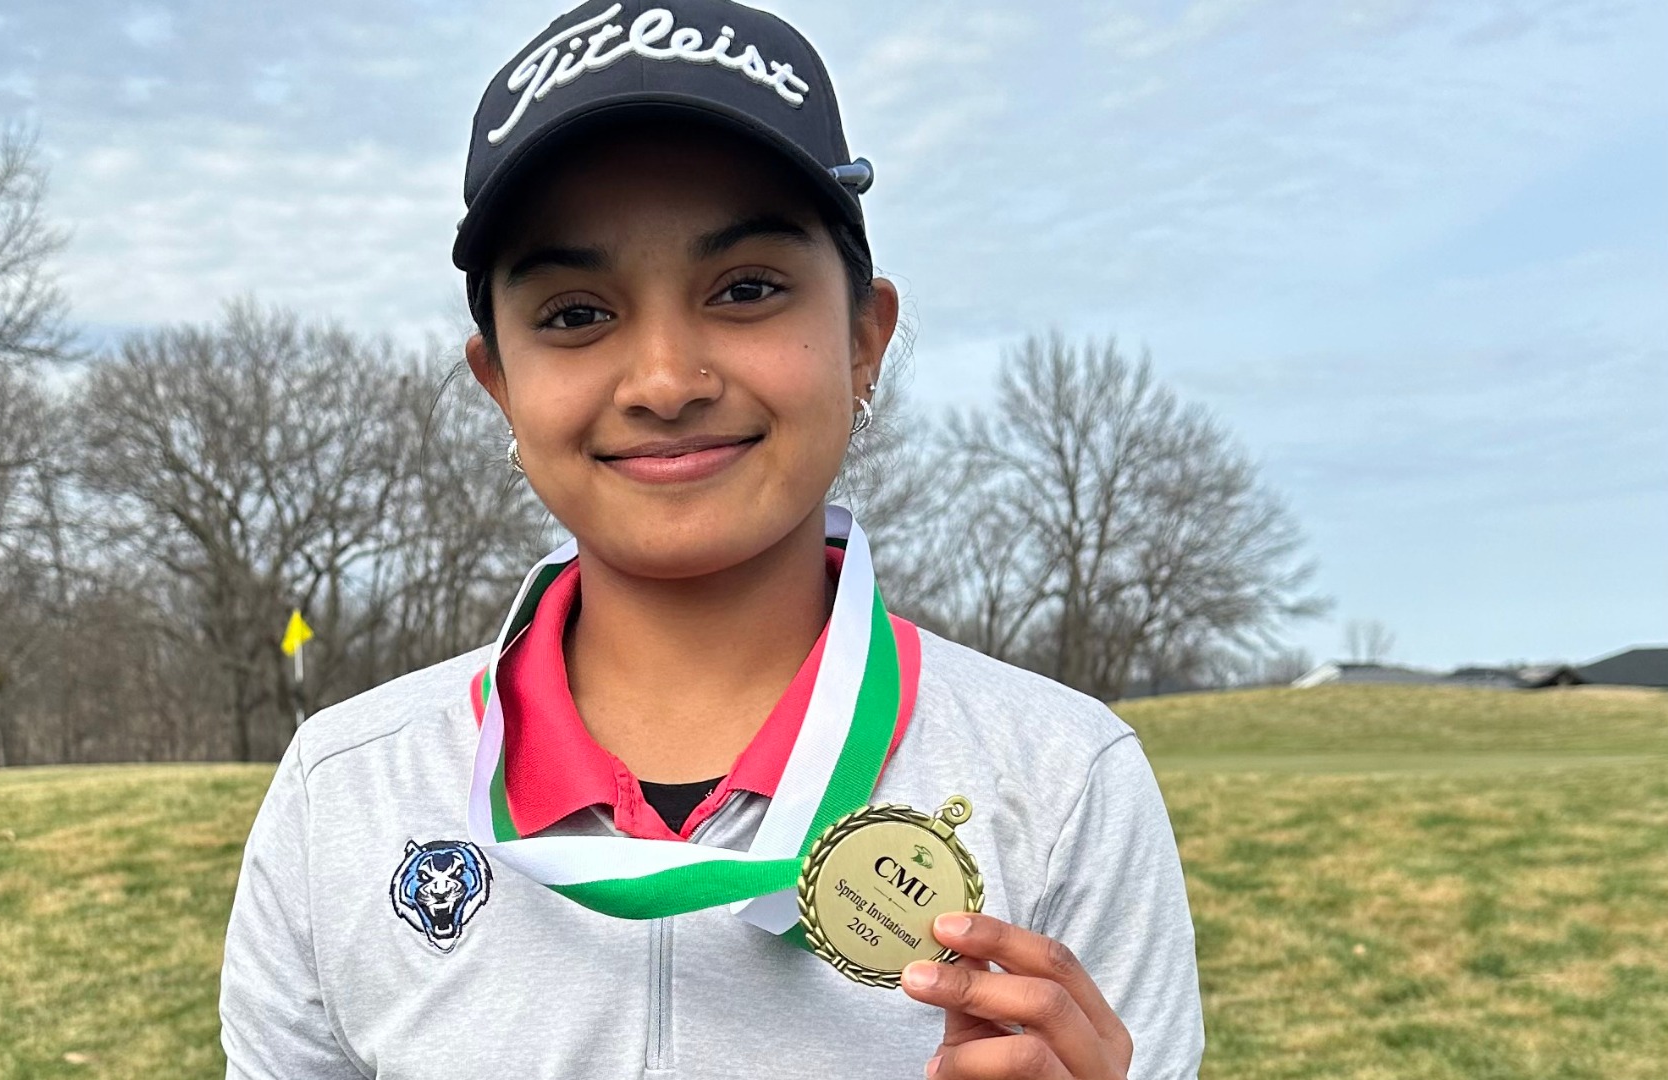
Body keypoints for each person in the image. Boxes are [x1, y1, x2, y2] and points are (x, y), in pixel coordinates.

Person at [218, 1, 1204, 1077]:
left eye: (746, 290)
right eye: (574, 314)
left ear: (863, 339)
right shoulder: (346, 791)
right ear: (499, 381)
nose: (664, 383)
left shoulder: (1063, 781)